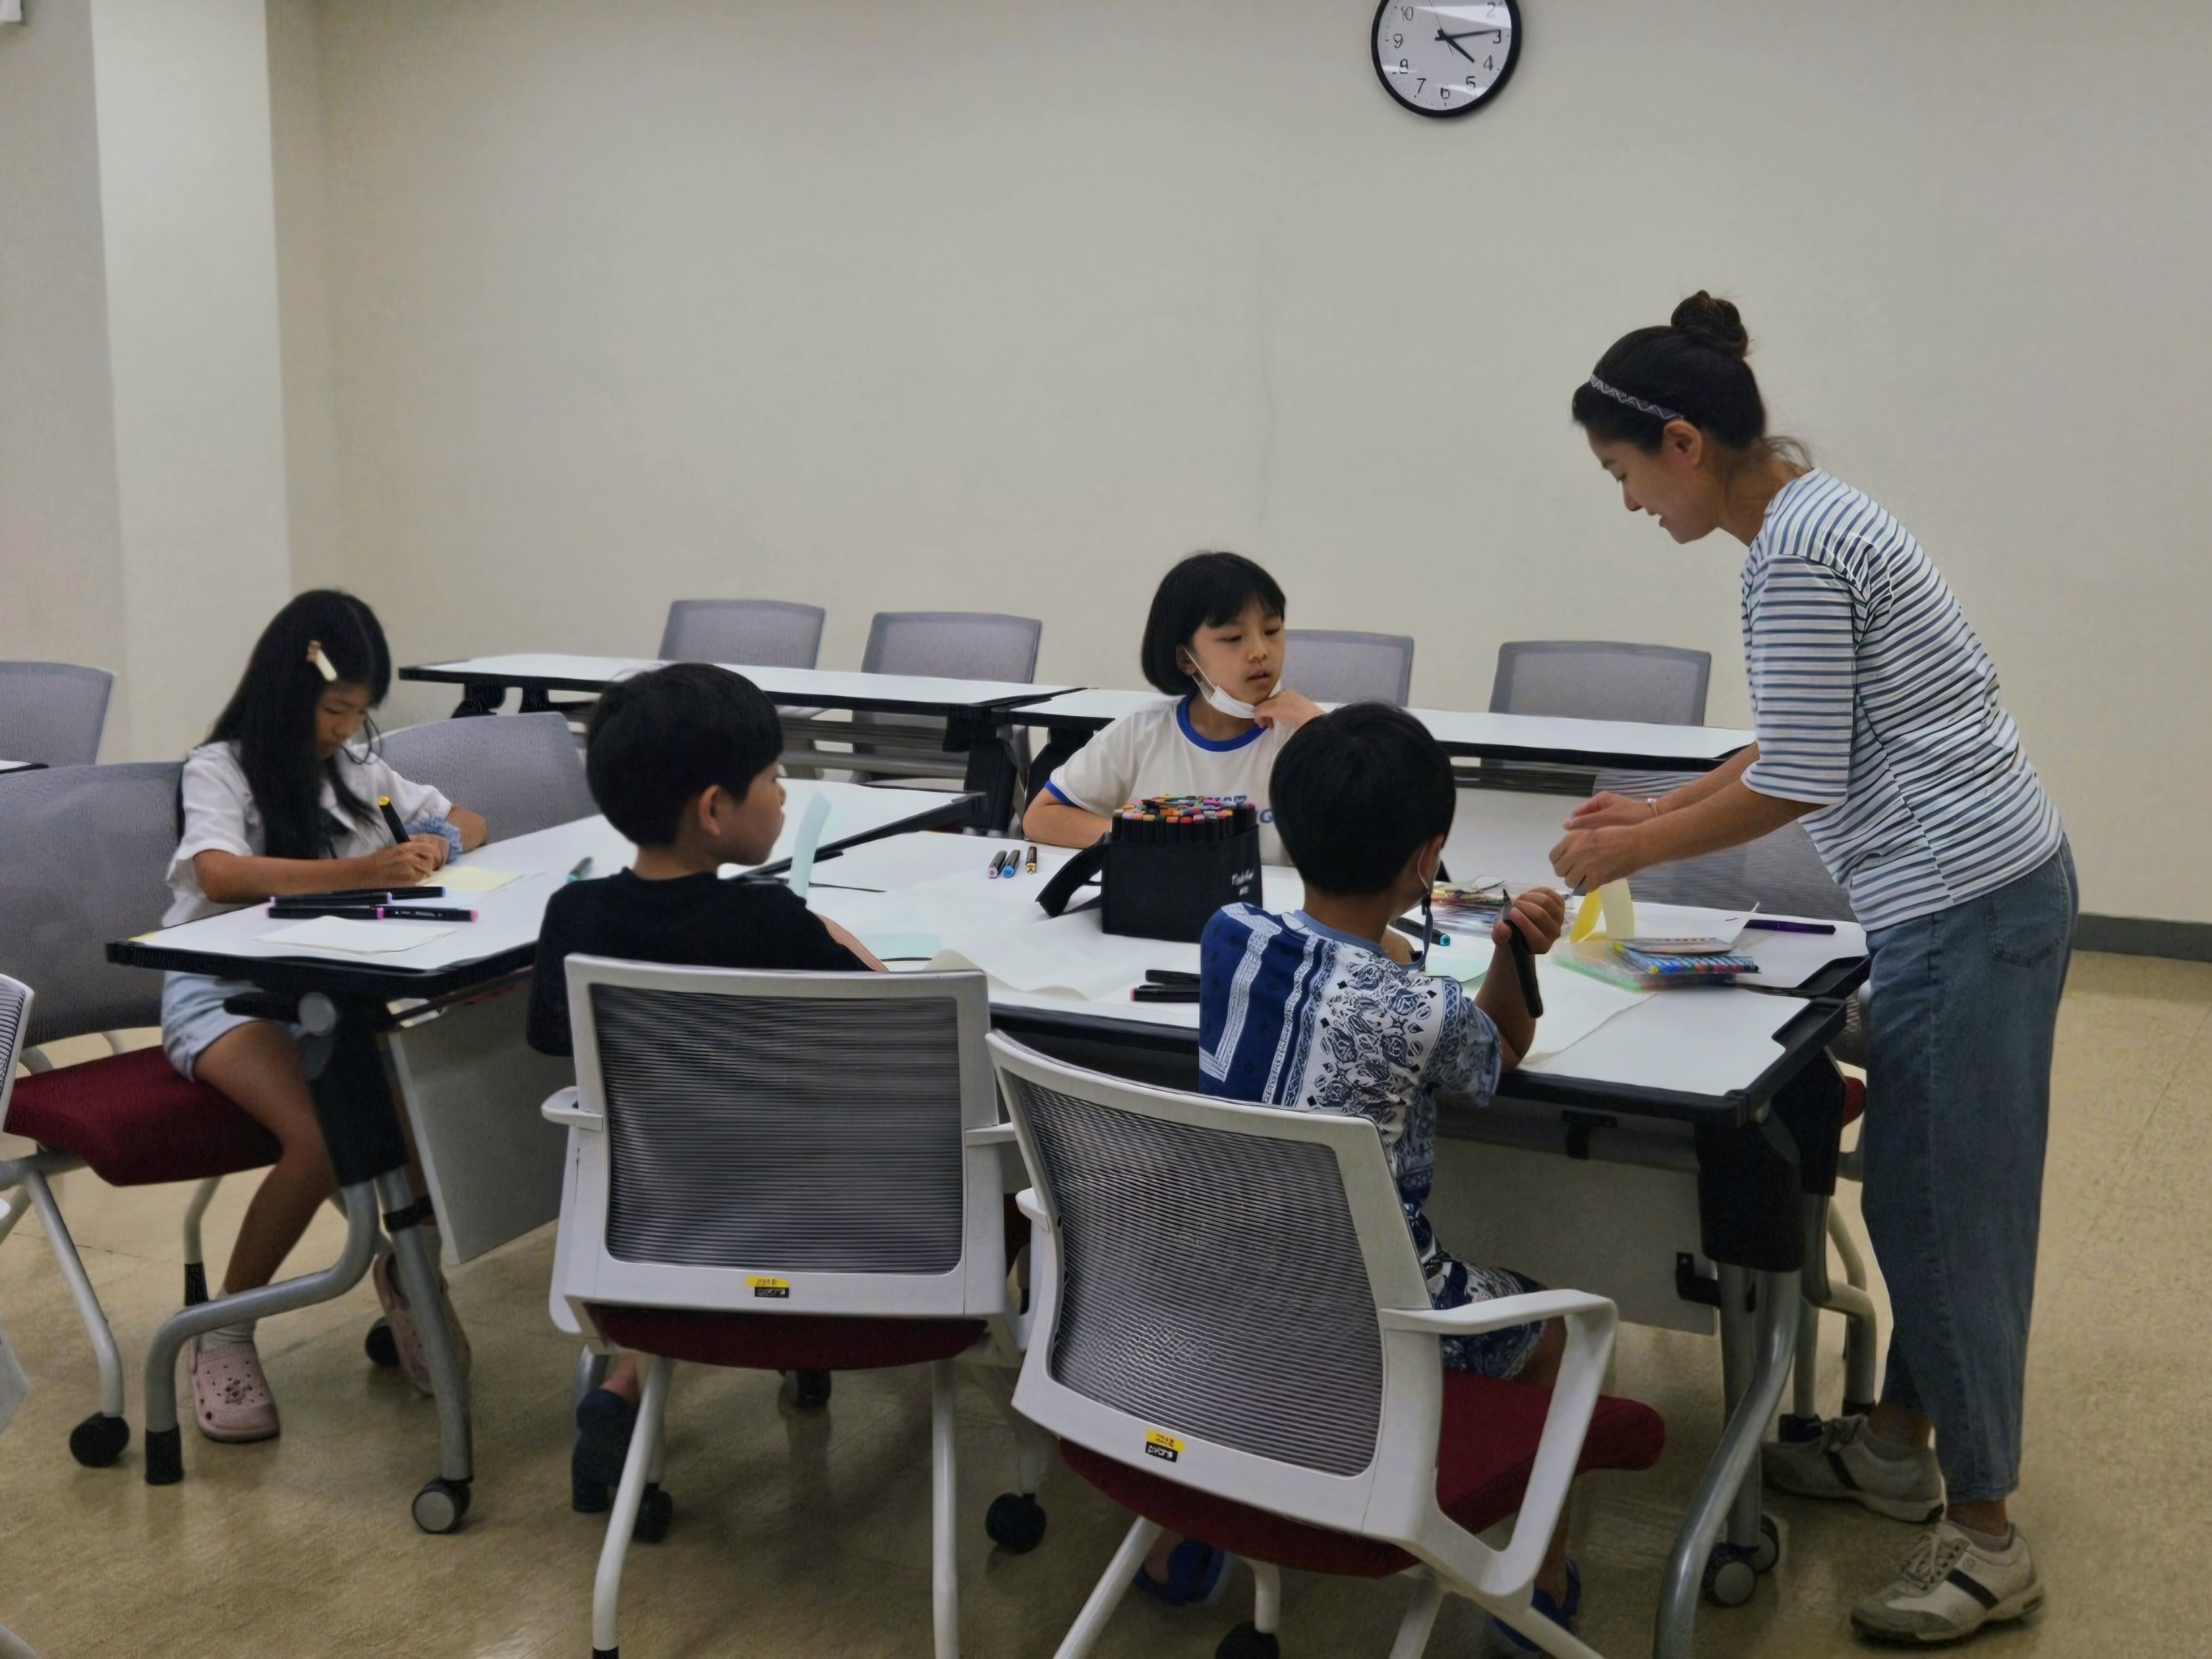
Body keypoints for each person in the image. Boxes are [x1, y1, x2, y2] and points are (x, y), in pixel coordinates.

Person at [1553, 292, 2073, 1644]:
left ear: (1681, 443)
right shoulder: (1809, 513)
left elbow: (1799, 776)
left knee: (1942, 1215)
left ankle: (1988, 1539)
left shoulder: (1789, 551)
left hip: (1963, 902)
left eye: (1622, 473)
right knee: (1942, 1190)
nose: (1627, 504)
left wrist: (1629, 850)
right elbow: (1795, 738)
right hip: (1982, 888)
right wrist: (1659, 807)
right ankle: (1897, 1449)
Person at [1197, 704, 1577, 1654]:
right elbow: (1502, 1048)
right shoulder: (1422, 1011)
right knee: (1553, 1334)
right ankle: (1533, 1587)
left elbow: (1345, 962)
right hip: (1369, 1330)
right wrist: (1512, 951)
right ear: (1426, 859)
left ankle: (1179, 1544)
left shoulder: (1226, 934)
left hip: (1225, 1302)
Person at [526, 661, 888, 1513]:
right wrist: (838, 938)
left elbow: (550, 1035)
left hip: (650, 1217)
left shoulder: (574, 917)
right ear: (716, 810)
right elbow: (889, 1024)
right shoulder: (770, 923)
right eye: (774, 776)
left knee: (703, 1206)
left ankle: (624, 1383)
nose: (785, 793)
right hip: (802, 1222)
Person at [162, 590, 488, 1442]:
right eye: (334, 708)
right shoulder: (221, 767)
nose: (345, 729)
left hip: (332, 987)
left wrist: (438, 844)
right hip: (222, 991)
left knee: (421, 1120)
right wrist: (360, 872)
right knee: (317, 1138)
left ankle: (409, 1277)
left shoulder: (356, 771)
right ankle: (224, 1331)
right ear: (289, 690)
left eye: (358, 713)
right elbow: (219, 873)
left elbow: (468, 817)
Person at [1022, 551, 1324, 863]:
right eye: (1233, 638)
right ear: (1186, 659)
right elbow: (1041, 817)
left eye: (1272, 631)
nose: (1260, 651)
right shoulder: (1142, 733)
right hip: (1166, 893)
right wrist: (1143, 837)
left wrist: (1320, 729)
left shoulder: (1304, 734)